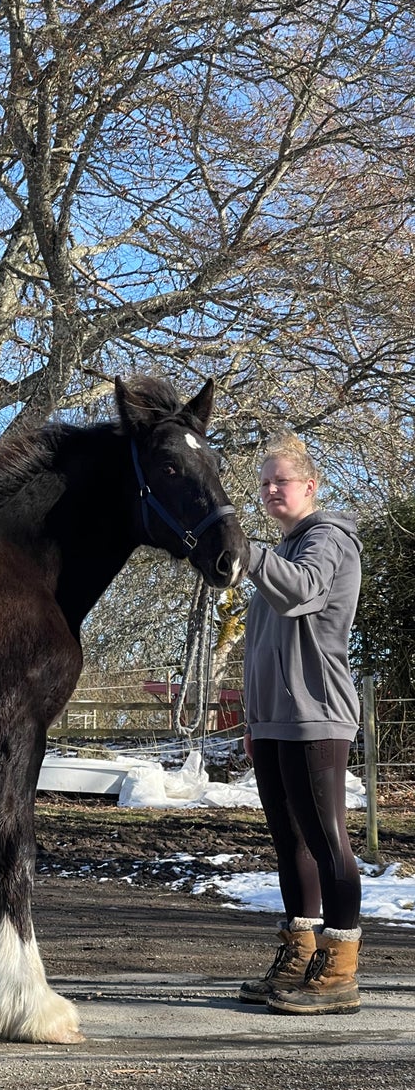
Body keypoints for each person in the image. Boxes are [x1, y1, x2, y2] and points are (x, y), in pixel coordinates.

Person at [238, 433, 363, 1014]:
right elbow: (264, 645)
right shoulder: (284, 549)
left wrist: (246, 551)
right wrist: (254, 718)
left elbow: (303, 597)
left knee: (326, 839)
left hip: (317, 715)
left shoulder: (327, 540)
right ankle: (300, 952)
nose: (269, 491)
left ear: (310, 486)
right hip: (275, 721)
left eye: (279, 481)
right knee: (291, 843)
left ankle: (339, 969)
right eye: (263, 482)